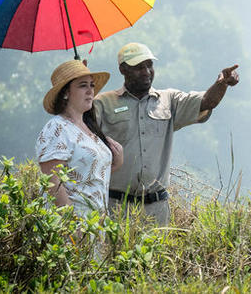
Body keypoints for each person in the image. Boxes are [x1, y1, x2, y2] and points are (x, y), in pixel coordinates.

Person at [93, 42, 239, 225]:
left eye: (149, 65)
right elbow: (82, 136)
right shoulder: (103, 103)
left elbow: (206, 102)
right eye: (139, 67)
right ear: (123, 70)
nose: (146, 71)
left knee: (157, 254)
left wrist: (221, 84)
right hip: (115, 206)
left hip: (157, 209)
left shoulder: (169, 100)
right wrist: (79, 82)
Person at [36, 59, 124, 216]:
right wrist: (73, 226)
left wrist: (117, 162)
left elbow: (90, 176)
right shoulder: (57, 128)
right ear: (65, 93)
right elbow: (52, 181)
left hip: (95, 226)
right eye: (83, 85)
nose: (90, 91)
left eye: (92, 85)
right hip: (70, 229)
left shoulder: (89, 129)